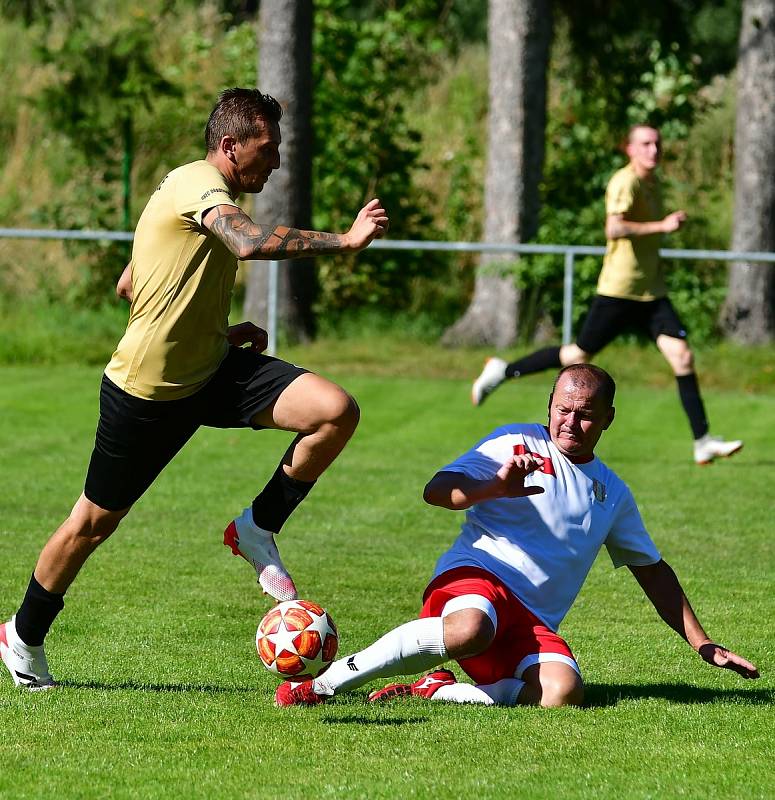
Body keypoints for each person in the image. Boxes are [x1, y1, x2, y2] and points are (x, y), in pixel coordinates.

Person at [0, 87, 389, 690]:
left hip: (211, 369)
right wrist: (344, 241)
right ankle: (21, 636)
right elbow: (249, 242)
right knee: (92, 525)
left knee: (334, 411)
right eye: (268, 150)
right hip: (145, 395)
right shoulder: (197, 185)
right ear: (229, 146)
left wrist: (212, 328)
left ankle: (256, 527)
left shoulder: (199, 193)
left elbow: (131, 282)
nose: (277, 162)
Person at [276, 364, 758, 708]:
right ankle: (326, 683)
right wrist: (494, 486)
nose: (571, 421)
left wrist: (702, 643)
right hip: (474, 581)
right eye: (563, 409)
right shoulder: (516, 442)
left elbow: (652, 571)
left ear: (608, 418)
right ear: (549, 405)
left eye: (586, 414)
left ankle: (439, 691)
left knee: (563, 694)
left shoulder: (613, 493)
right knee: (471, 628)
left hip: (531, 620)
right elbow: (436, 490)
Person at [471, 124, 742, 467]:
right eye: (645, 144)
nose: (653, 150)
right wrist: (662, 226)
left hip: (651, 294)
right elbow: (614, 227)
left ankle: (703, 441)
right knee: (575, 355)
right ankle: (503, 370)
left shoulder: (652, 182)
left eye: (657, 143)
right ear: (629, 148)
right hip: (619, 290)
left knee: (682, 357)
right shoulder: (624, 181)